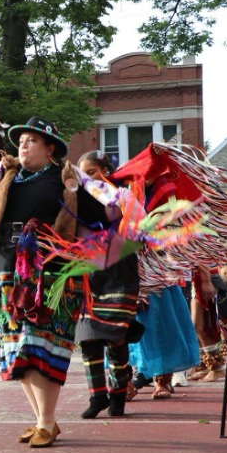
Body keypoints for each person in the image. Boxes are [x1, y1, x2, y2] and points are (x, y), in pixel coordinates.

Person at [0, 117, 109, 447]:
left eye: (32, 141)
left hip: (47, 271)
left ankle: (46, 421)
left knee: (40, 344)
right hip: (5, 269)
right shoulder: (5, 176)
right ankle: (44, 421)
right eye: (21, 141)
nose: (23, 146)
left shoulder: (64, 178)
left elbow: (100, 215)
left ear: (50, 148)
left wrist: (78, 192)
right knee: (16, 346)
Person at [74, 151, 142, 418]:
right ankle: (97, 396)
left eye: (91, 172)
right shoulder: (76, 198)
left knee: (116, 337)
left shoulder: (122, 196)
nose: (87, 179)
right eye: (83, 174)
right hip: (88, 270)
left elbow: (137, 228)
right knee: (87, 337)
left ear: (106, 172)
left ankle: (118, 396)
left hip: (119, 271)